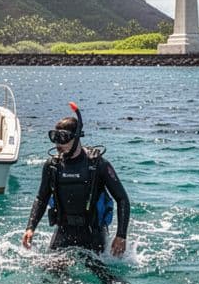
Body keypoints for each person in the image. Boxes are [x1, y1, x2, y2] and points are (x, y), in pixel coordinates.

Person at [22, 103, 130, 256]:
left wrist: (121, 236)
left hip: (93, 233)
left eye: (64, 139)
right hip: (64, 230)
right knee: (50, 271)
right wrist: (30, 228)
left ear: (77, 137)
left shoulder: (98, 164)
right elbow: (41, 198)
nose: (59, 145)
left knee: (103, 276)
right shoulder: (52, 166)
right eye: (55, 139)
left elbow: (122, 199)